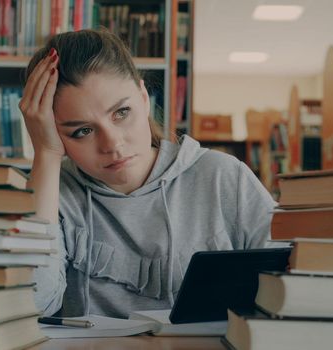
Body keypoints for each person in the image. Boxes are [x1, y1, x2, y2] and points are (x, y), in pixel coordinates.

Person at [20, 29, 276, 319]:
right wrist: (46, 154)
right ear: (54, 133)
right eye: (82, 131)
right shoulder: (51, 191)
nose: (112, 144)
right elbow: (33, 304)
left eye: (121, 113)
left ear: (143, 97)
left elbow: (291, 290)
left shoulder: (225, 178)